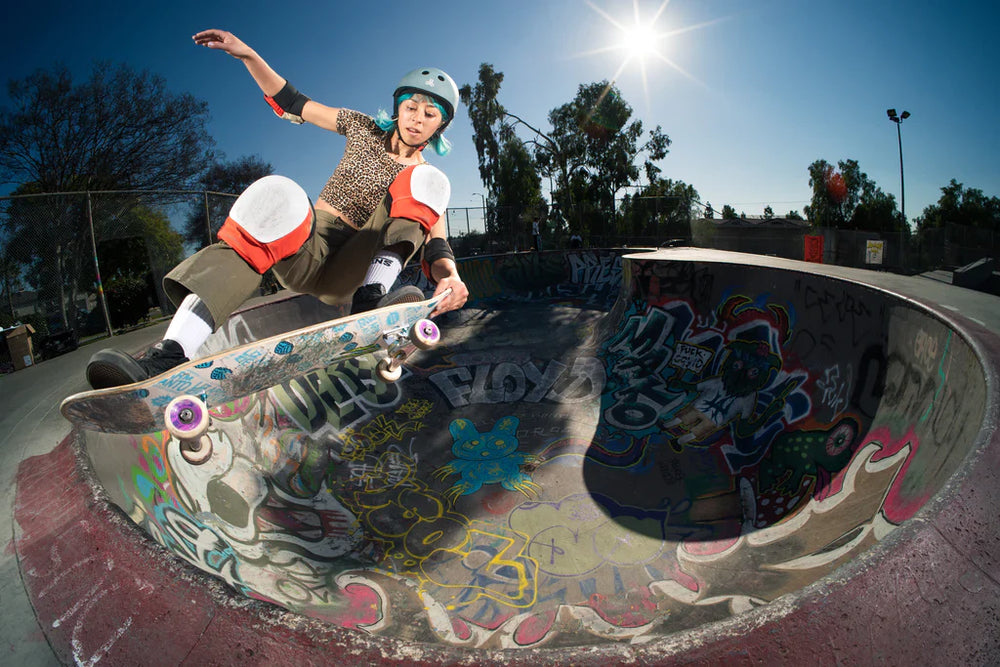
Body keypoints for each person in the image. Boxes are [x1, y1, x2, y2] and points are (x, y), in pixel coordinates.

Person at [86, 29, 469, 390]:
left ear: (440, 126)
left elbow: (436, 245)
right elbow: (293, 103)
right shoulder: (361, 127)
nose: (417, 119)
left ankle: (371, 302)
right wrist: (248, 56)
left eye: (429, 115)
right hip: (307, 249)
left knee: (428, 180)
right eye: (411, 107)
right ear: (398, 107)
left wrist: (450, 277)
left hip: (356, 268)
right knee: (277, 191)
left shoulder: (424, 180)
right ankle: (169, 354)